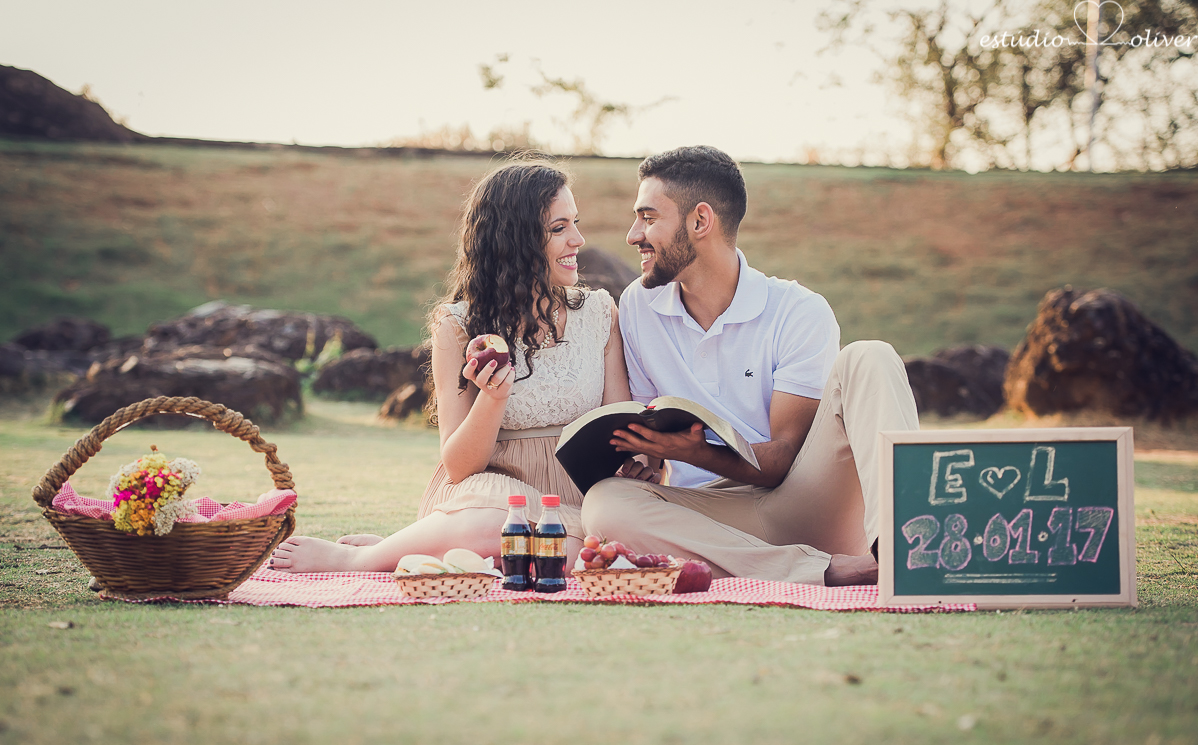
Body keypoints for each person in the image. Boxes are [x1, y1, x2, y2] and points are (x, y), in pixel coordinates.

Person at [271, 158, 656, 574]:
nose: (578, 240)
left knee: (582, 554)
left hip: (581, 495)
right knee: (495, 526)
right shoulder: (457, 325)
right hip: (489, 492)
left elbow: (616, 425)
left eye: (575, 223)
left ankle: (416, 544)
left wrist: (642, 462)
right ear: (516, 241)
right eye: (559, 229)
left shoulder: (600, 312)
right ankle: (358, 559)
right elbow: (459, 465)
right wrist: (493, 397)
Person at [580, 145, 920, 586]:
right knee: (606, 503)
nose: (632, 235)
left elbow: (782, 461)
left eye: (648, 218)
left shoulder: (798, 311)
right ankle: (824, 571)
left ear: (700, 221)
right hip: (711, 522)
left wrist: (696, 451)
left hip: (803, 501)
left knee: (870, 356)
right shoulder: (638, 307)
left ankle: (909, 552)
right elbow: (651, 436)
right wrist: (642, 460)